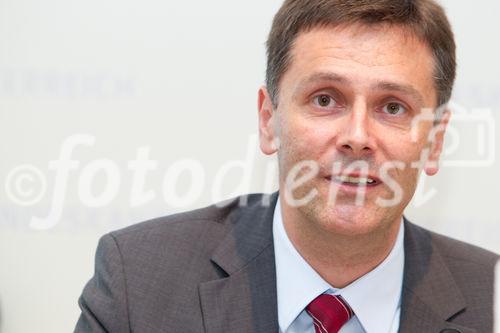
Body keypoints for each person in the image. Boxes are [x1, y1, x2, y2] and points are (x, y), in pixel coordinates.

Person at [75, 0, 499, 332]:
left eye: (392, 106)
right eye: (325, 99)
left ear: (434, 140)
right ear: (268, 120)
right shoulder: (138, 281)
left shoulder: (491, 298)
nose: (357, 136)